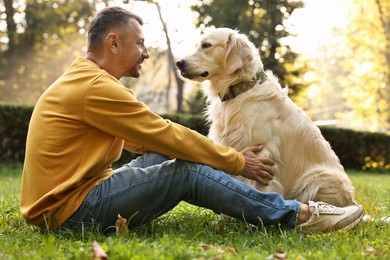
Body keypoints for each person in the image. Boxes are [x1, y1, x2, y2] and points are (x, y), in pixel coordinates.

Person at [20, 6, 364, 234]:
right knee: (185, 169)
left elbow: (143, 140)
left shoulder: (84, 80)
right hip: (70, 211)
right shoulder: (96, 87)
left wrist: (150, 145)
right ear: (112, 42)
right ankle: (299, 215)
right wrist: (235, 161)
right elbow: (166, 134)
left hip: (67, 200)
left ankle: (260, 205)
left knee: (168, 155)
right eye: (139, 43)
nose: (146, 52)